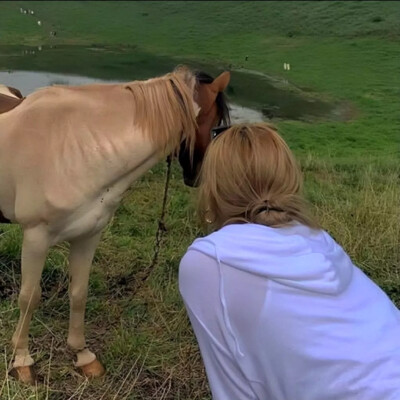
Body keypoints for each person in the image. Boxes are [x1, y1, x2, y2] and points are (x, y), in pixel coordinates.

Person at [179, 123, 400, 400]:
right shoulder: (320, 239)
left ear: (214, 187)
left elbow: (233, 388)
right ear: (289, 180)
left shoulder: (210, 262)